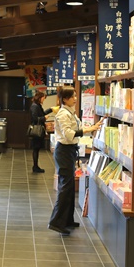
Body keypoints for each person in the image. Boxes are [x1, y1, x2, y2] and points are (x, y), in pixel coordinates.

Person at [48, 86, 104, 236]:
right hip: (64, 151)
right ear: (65, 99)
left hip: (70, 151)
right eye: (72, 96)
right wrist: (89, 129)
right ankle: (56, 222)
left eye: (75, 96)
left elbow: (78, 128)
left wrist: (92, 127)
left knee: (70, 186)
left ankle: (67, 220)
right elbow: (68, 134)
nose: (75, 98)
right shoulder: (63, 114)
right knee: (65, 187)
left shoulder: (70, 112)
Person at [29, 91, 53, 173]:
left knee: (37, 148)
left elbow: (42, 114)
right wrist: (44, 118)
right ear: (39, 98)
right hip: (37, 130)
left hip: (38, 129)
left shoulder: (37, 105)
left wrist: (51, 109)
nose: (44, 100)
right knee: (36, 148)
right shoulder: (35, 106)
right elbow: (35, 118)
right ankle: (35, 166)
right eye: (43, 98)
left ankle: (36, 166)